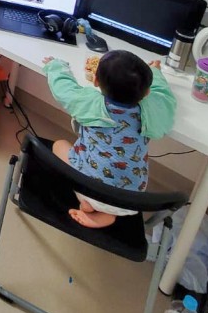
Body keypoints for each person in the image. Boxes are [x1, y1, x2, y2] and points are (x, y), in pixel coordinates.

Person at [42, 50, 176, 228]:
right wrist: (157, 74)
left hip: (88, 187)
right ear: (146, 93)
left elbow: (64, 89)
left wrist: (55, 66)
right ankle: (105, 212)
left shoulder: (90, 103)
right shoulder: (151, 113)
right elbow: (165, 99)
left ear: (95, 81)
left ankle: (88, 202)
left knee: (60, 145)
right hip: (130, 199)